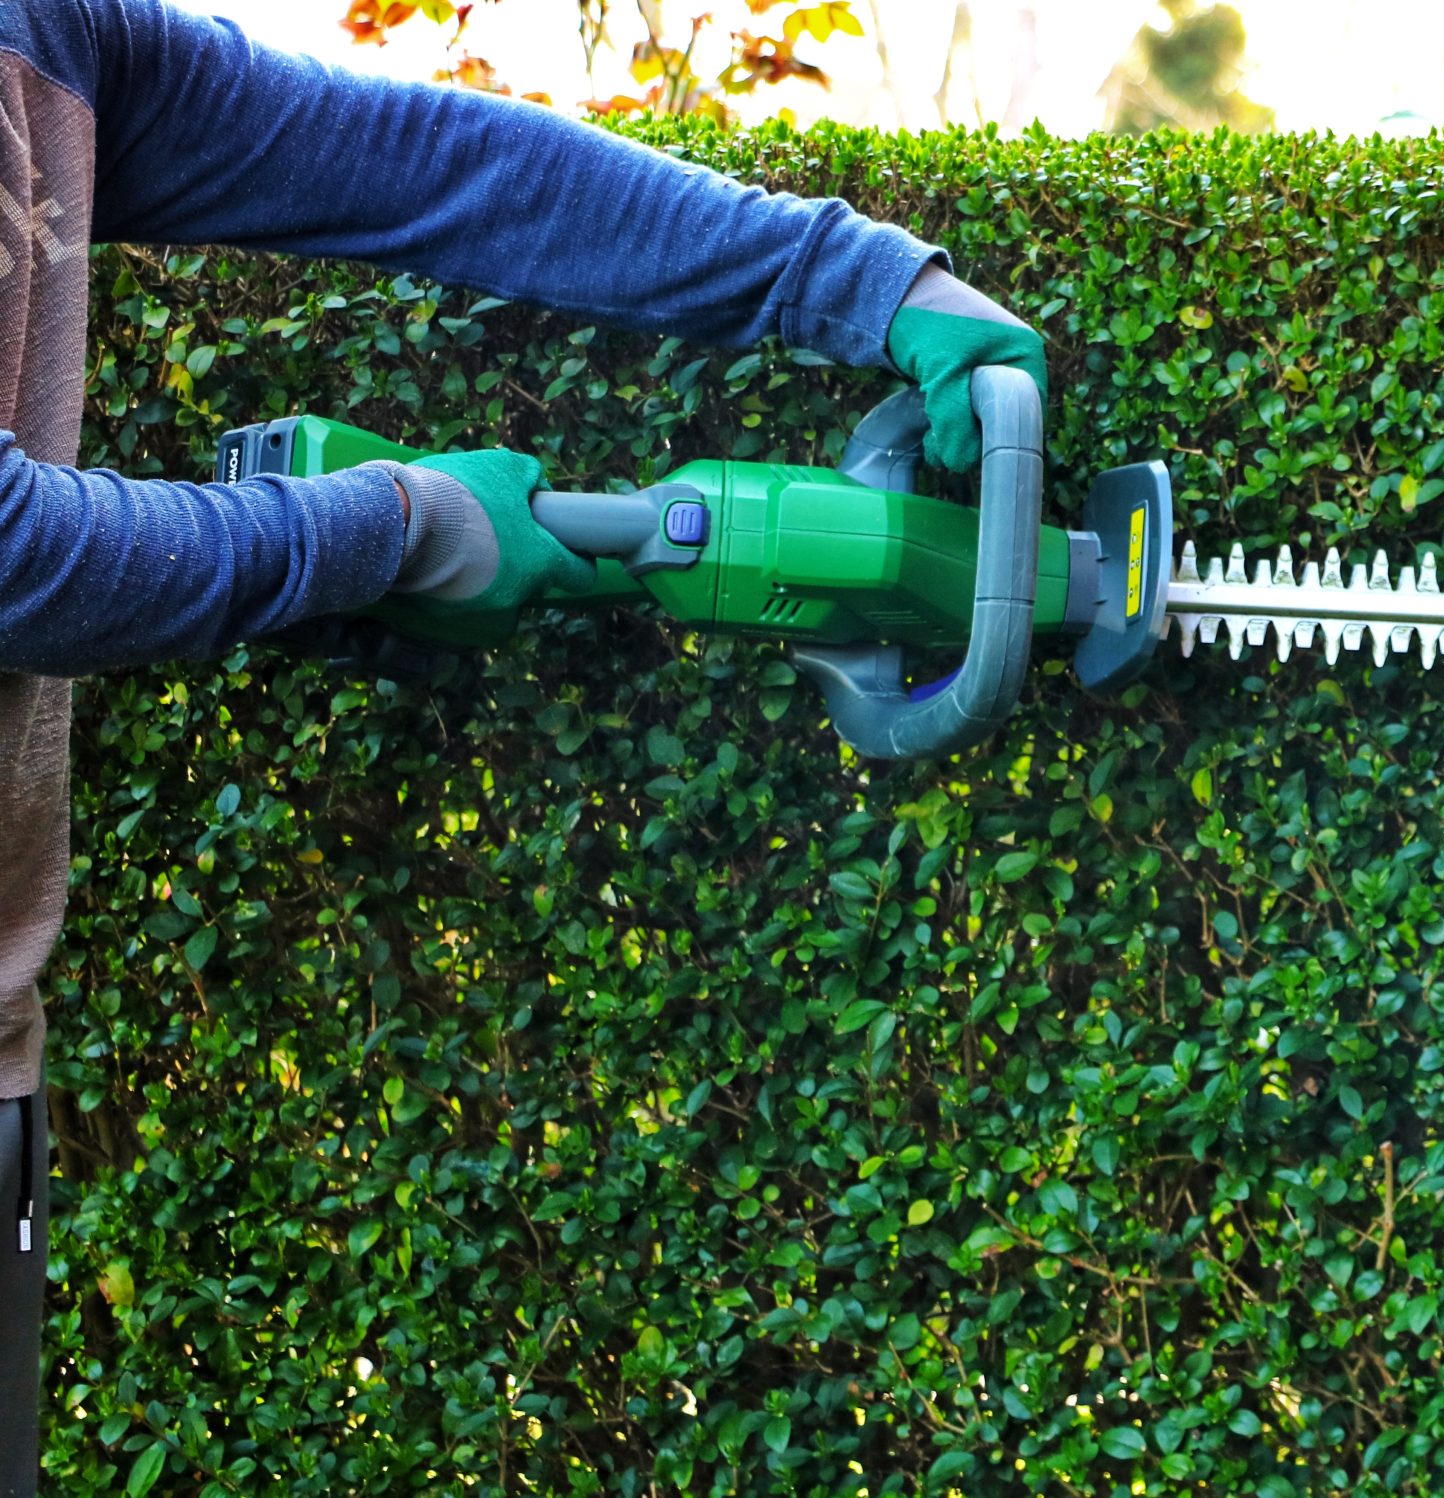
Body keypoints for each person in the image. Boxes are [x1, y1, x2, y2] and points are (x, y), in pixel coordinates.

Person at [0, 2, 1047, 1484]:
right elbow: (10, 557)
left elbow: (423, 166)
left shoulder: (56, 36)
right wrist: (394, 524)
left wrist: (867, 279)